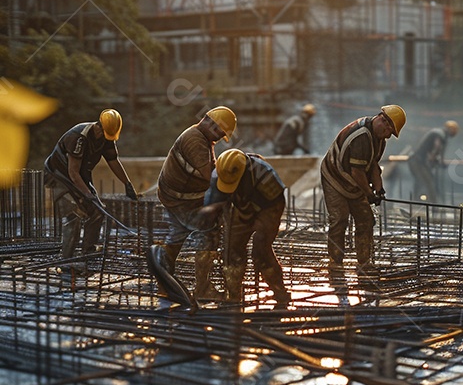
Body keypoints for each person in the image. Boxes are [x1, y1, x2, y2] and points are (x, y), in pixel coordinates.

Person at [151, 106, 236, 300]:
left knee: (177, 236)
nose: (218, 137)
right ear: (211, 124)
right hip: (182, 199)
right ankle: (202, 288)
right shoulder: (195, 140)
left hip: (177, 196)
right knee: (208, 232)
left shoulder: (202, 137)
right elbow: (209, 176)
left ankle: (164, 283)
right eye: (220, 133)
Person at [320, 105, 406, 288]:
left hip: (353, 181)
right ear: (382, 120)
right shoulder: (361, 136)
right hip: (335, 177)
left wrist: (379, 188)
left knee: (366, 219)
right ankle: (335, 263)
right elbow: (357, 172)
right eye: (390, 129)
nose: (389, 134)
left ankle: (364, 263)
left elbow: (373, 164)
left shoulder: (379, 139)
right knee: (340, 218)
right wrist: (368, 193)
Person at [44, 108, 137, 265]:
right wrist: (88, 194)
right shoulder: (79, 137)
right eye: (103, 132)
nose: (104, 137)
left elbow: (113, 161)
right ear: (98, 126)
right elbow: (72, 173)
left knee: (97, 212)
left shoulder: (107, 137)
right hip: (59, 177)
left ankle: (88, 254)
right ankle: (67, 261)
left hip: (81, 177)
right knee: (74, 215)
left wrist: (127, 184)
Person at [203, 149, 290, 309]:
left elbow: (276, 206)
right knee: (232, 250)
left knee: (261, 249)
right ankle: (233, 296)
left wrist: (262, 229)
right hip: (239, 207)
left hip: (267, 208)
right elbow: (212, 207)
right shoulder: (219, 175)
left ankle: (280, 293)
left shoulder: (266, 176)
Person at [408, 120, 459, 202]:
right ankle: (431, 205)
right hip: (418, 161)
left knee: (424, 182)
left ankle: (421, 204)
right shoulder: (439, 134)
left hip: (420, 161)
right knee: (427, 183)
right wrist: (433, 156)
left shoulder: (441, 135)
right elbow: (437, 146)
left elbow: (439, 149)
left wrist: (439, 160)